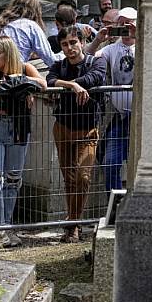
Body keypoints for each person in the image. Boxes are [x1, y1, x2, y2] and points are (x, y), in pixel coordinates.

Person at [0, 36, 46, 239]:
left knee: (13, 180)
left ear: (9, 53)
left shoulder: (25, 67)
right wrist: (20, 85)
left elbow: (43, 83)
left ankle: (6, 226)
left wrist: (20, 81)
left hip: (18, 127)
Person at [46, 25, 107, 243]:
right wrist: (71, 85)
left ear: (81, 42)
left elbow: (95, 78)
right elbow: (49, 81)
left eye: (73, 43)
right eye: (64, 44)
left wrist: (75, 85)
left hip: (87, 129)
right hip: (63, 128)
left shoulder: (96, 62)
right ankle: (73, 226)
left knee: (83, 177)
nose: (70, 48)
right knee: (69, 178)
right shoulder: (59, 66)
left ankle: (73, 221)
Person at [96, 7, 136, 191]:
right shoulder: (111, 49)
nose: (126, 27)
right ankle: (114, 207)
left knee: (140, 168)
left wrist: (141, 36)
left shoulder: (146, 45)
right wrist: (98, 39)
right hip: (120, 118)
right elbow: (88, 57)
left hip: (141, 120)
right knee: (110, 163)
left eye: (129, 23)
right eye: (121, 23)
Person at [0, 0, 64, 71]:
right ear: (36, 11)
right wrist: (65, 56)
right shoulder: (31, 26)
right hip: (6, 75)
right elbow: (50, 59)